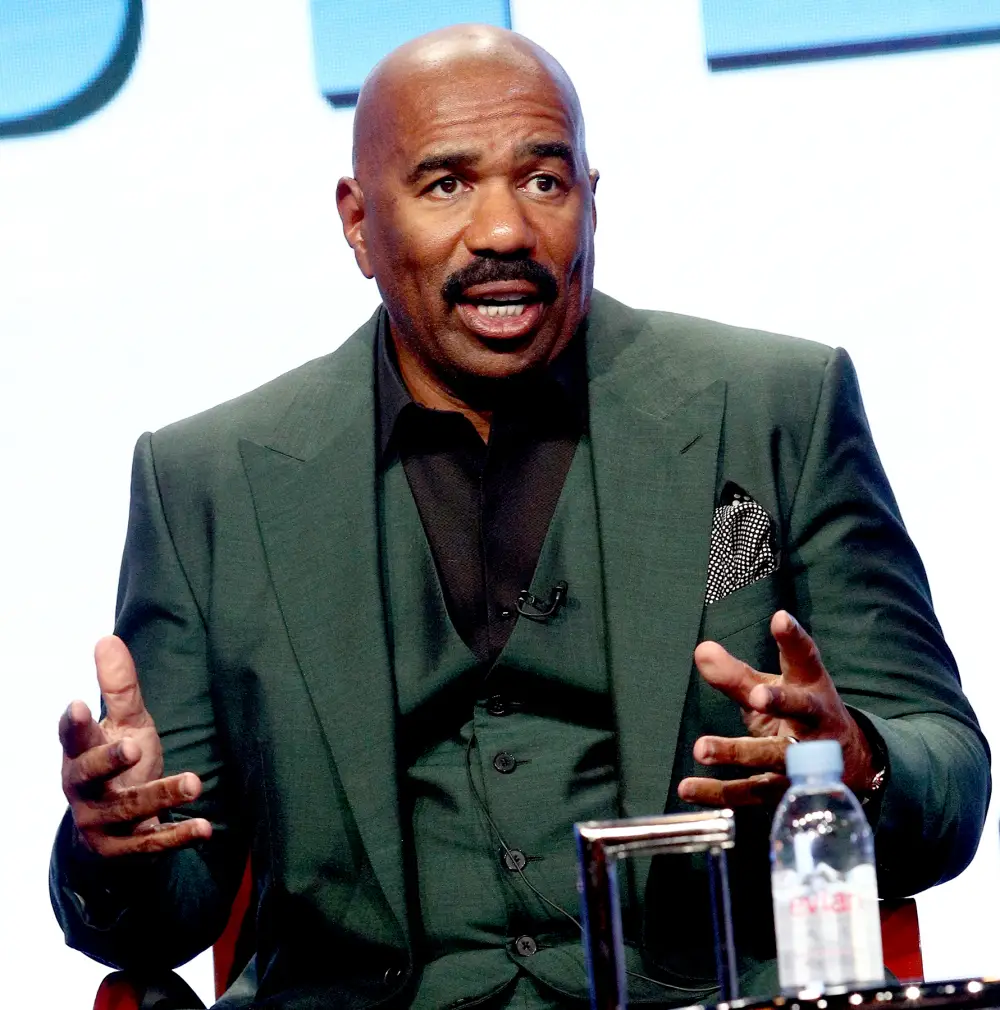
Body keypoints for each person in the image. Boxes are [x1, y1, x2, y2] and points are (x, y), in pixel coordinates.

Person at [52, 23, 989, 1010]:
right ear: (359, 222)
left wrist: (860, 765)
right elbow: (164, 906)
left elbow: (948, 771)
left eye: (543, 180)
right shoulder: (210, 480)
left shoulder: (773, 407)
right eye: (446, 184)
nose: (503, 229)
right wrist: (116, 841)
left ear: (592, 200)